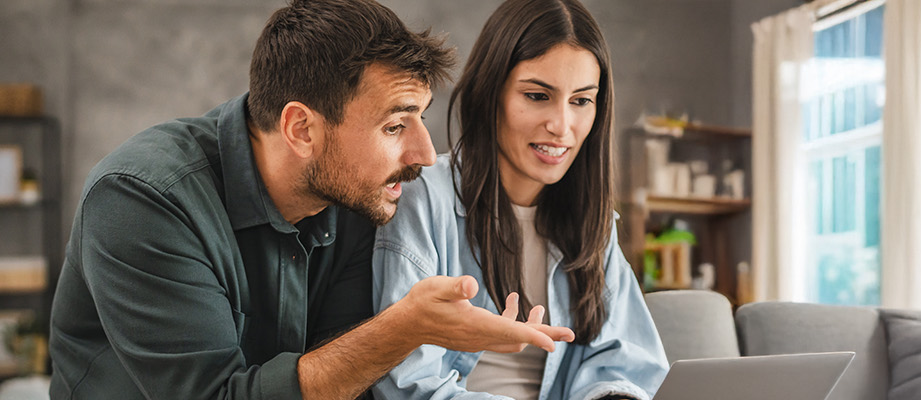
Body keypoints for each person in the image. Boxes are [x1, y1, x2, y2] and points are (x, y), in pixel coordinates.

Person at [48, 1, 573, 399]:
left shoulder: (355, 200)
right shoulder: (142, 201)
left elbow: (343, 379)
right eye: (395, 124)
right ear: (301, 128)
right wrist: (407, 327)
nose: (425, 153)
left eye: (421, 118)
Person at [371, 0, 669, 399]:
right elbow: (408, 384)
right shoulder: (422, 197)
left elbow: (624, 364)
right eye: (537, 96)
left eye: (581, 101)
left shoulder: (593, 223)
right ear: (491, 93)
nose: (561, 126)